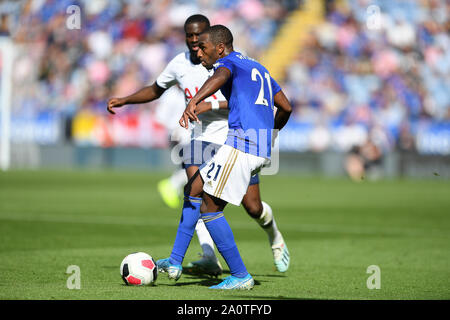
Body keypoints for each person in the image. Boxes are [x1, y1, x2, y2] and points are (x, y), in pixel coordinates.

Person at [107, 14, 289, 277]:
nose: (195, 42)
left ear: (214, 40)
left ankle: (269, 238)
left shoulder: (232, 62)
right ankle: (200, 257)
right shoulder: (180, 64)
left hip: (233, 138)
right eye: (190, 36)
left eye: (201, 38)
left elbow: (243, 99)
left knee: (252, 207)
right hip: (201, 137)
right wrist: (125, 100)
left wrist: (203, 102)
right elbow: (156, 89)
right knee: (196, 192)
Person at [156, 25, 292, 289]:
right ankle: (174, 261)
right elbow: (286, 106)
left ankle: (241, 276)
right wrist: (271, 134)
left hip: (242, 145)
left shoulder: (228, 63)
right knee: (195, 188)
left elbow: (222, 74)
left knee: (209, 206)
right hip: (254, 145)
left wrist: (194, 100)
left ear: (219, 48)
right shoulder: (258, 68)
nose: (200, 54)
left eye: (204, 49)